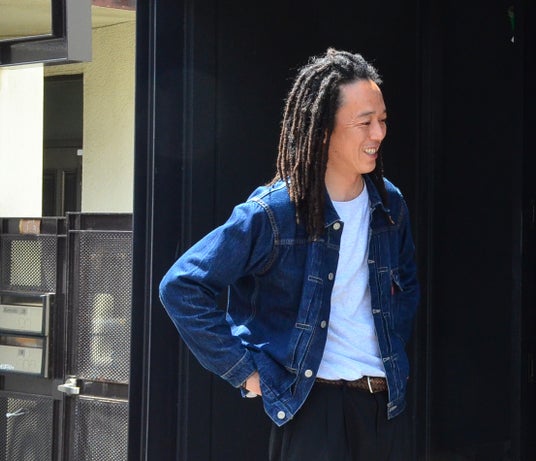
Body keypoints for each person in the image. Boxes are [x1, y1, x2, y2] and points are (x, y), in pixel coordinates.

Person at [159, 48, 420, 461]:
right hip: (313, 410)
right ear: (323, 130)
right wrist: (248, 373)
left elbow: (406, 289)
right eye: (365, 122)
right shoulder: (276, 212)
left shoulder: (390, 205)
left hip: (385, 407)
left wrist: (391, 348)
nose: (379, 133)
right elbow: (182, 286)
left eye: (383, 120)